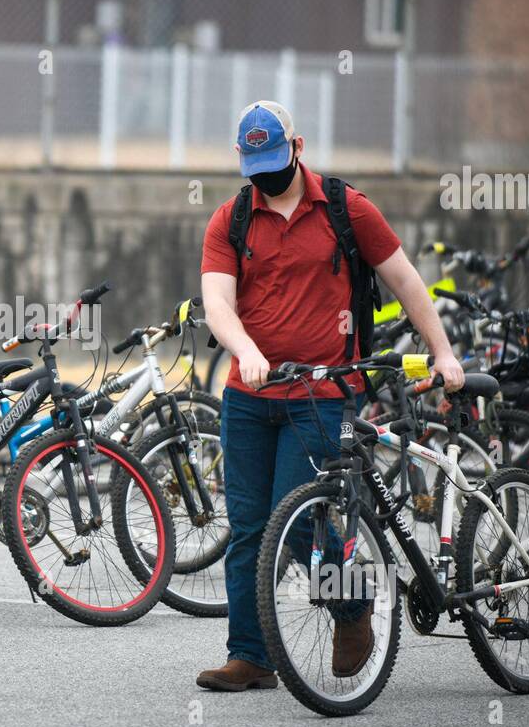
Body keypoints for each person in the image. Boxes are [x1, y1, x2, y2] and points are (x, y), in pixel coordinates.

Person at [196, 100, 465, 691]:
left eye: (274, 161)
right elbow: (217, 301)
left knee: (297, 526)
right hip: (249, 396)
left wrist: (443, 351)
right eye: (254, 166)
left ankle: (353, 607)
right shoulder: (231, 220)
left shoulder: (346, 208)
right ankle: (250, 655)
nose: (265, 177)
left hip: (320, 394)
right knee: (246, 529)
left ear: (299, 147)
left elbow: (406, 281)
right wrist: (244, 349)